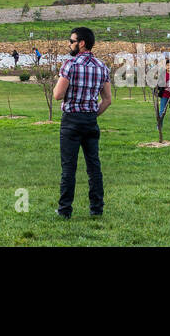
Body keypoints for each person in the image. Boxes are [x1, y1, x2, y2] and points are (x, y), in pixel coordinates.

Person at [53, 26, 112, 219]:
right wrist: (92, 115)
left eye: (71, 41)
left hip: (71, 121)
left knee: (69, 167)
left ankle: (65, 210)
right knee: (94, 166)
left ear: (82, 43)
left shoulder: (69, 65)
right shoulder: (102, 67)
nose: (69, 44)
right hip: (90, 121)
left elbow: (57, 95)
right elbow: (107, 100)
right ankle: (96, 208)